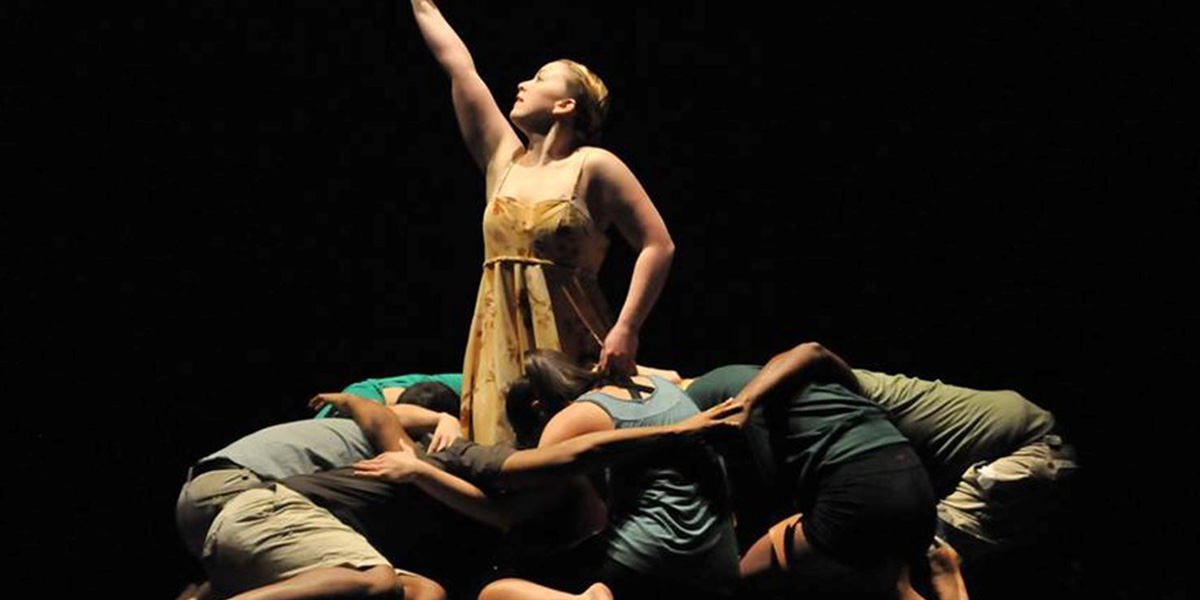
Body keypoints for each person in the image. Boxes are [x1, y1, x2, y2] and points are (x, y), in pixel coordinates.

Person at [408, 0, 676, 444]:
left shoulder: (593, 165)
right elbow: (459, 67)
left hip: (569, 338)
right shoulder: (503, 159)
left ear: (566, 104)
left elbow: (658, 245)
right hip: (499, 337)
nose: (522, 83)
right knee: (502, 451)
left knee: (568, 449)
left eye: (540, 78)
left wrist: (628, 328)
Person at [432, 349, 741, 600]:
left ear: (538, 409)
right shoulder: (653, 382)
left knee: (496, 591)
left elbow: (510, 506)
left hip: (656, 560)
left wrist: (425, 469)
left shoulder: (570, 420)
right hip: (722, 562)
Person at [684, 345, 937, 597]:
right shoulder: (748, 376)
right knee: (893, 589)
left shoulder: (697, 408)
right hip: (914, 476)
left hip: (860, 489)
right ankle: (950, 579)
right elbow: (816, 352)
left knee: (734, 581)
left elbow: (768, 484)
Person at [176, 387, 459, 600]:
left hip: (201, 508)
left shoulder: (339, 429)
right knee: (378, 578)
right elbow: (385, 418)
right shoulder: (392, 437)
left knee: (420, 589)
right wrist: (444, 420)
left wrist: (349, 400)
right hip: (243, 490)